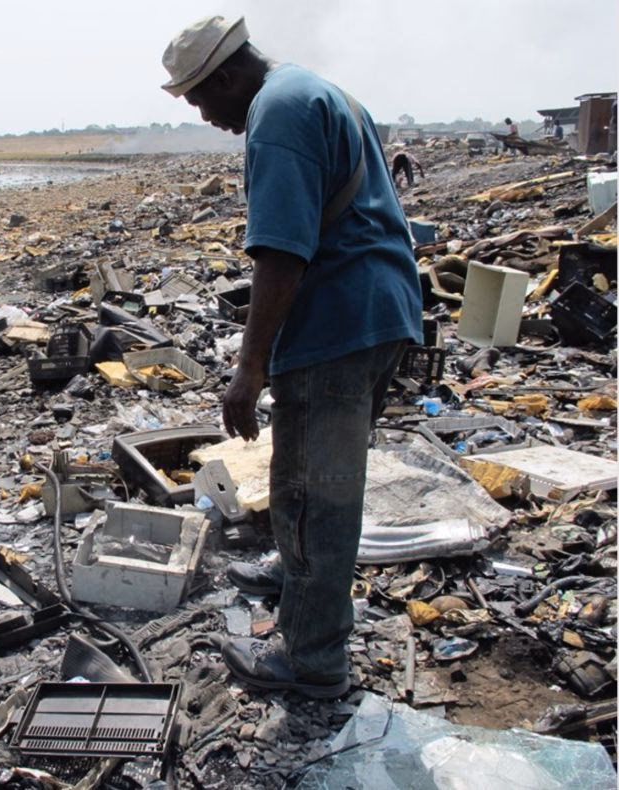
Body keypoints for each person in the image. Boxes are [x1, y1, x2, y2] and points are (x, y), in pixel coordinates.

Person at [161, 16, 423, 699]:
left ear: (226, 77)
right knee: (309, 466)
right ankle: (297, 573)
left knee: (317, 494)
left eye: (199, 99)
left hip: (341, 318)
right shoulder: (313, 90)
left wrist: (250, 370)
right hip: (378, 309)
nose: (205, 114)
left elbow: (281, 251)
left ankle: (312, 660)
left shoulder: (274, 115)